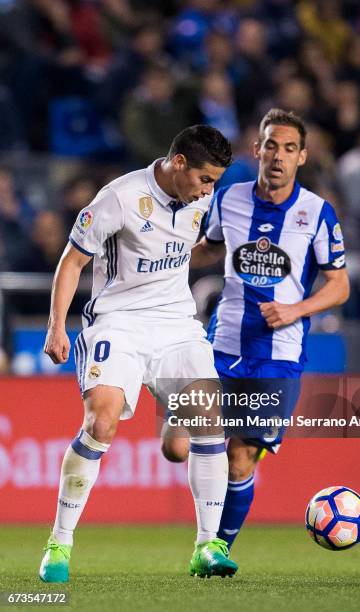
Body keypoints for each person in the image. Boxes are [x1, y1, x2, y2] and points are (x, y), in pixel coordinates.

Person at [39, 125, 238, 582]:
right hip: (118, 323)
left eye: (216, 183)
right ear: (180, 163)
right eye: (206, 180)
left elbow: (188, 253)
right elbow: (72, 261)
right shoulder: (120, 197)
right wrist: (56, 326)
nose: (209, 191)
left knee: (210, 418)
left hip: (174, 325)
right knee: (101, 422)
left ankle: (207, 546)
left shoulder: (199, 201)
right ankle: (59, 545)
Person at [161, 109, 350, 550]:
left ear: (302, 156)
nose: (277, 156)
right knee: (175, 447)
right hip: (221, 343)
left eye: (288, 148)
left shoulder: (317, 213)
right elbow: (209, 248)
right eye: (270, 146)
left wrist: (296, 309)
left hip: (277, 354)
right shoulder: (229, 199)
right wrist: (162, 255)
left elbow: (339, 285)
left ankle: (216, 548)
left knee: (240, 455)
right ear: (257, 150)